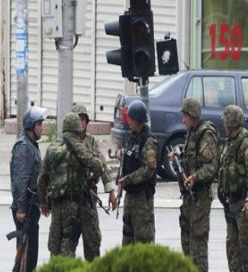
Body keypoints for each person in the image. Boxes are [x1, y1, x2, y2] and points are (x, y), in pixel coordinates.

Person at [37, 112, 109, 259]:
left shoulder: (52, 148)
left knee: (55, 247)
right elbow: (98, 166)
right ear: (77, 129)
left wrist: (43, 202)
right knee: (70, 247)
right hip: (75, 206)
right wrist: (92, 179)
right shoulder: (78, 147)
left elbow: (42, 179)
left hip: (57, 206)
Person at [172, 98, 219, 272]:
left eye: (185, 116)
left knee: (198, 249)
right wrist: (179, 155)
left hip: (199, 198)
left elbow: (211, 167)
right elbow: (193, 156)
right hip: (188, 198)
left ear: (193, 115)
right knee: (186, 243)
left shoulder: (205, 135)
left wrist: (195, 177)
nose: (183, 120)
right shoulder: (192, 133)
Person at [218, 105, 248, 272]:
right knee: (232, 249)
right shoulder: (230, 142)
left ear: (232, 124)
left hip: (244, 204)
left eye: (226, 123)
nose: (224, 126)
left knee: (247, 251)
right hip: (231, 204)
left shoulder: (246, 143)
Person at [71, 103, 117, 260]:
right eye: (78, 119)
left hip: (88, 200)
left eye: (84, 119)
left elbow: (102, 165)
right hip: (70, 202)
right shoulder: (66, 142)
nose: (81, 123)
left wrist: (110, 191)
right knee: (67, 247)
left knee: (93, 243)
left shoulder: (90, 142)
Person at [10, 106, 47, 272]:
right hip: (25, 209)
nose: (42, 127)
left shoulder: (32, 146)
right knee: (25, 257)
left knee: (30, 255)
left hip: (32, 207)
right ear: (31, 126)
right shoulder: (24, 148)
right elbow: (21, 181)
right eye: (39, 124)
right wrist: (22, 209)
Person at [118, 100, 158, 245]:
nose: (129, 122)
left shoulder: (149, 142)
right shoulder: (133, 137)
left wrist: (128, 179)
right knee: (127, 242)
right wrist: (122, 154)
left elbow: (148, 169)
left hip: (142, 201)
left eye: (131, 119)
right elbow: (131, 156)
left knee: (143, 243)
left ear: (138, 120)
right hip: (130, 198)